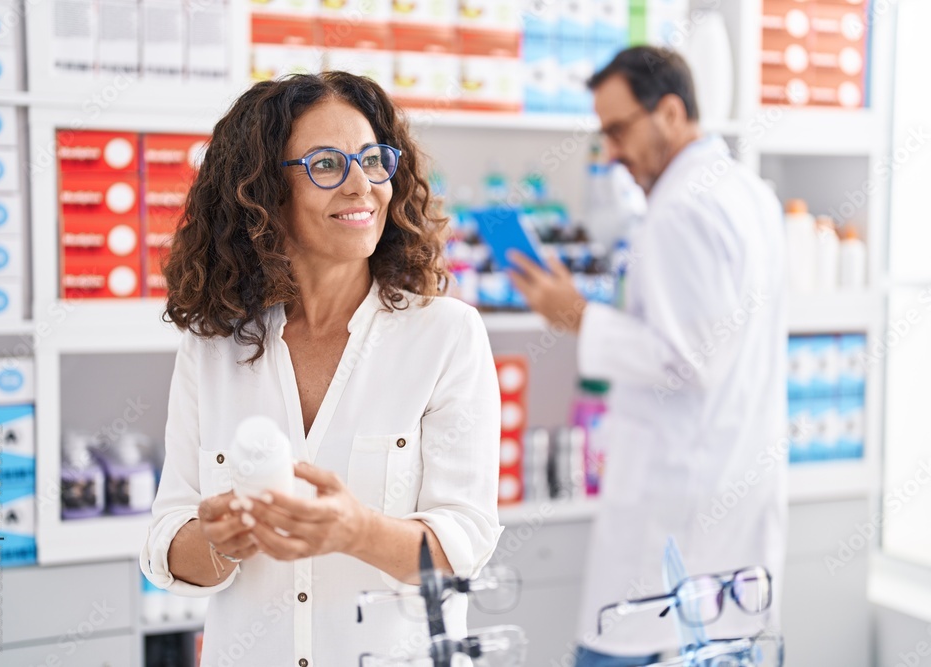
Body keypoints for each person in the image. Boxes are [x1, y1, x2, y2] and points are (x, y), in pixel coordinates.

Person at [140, 72, 503, 666]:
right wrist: (218, 540)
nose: (362, 186)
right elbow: (167, 545)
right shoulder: (214, 347)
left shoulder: (445, 336)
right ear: (262, 192)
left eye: (373, 161)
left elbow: (464, 544)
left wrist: (356, 531)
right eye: (327, 165)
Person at [508, 47, 787, 665]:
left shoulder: (679, 209)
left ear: (670, 113)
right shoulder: (748, 192)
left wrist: (576, 315)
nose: (611, 153)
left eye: (618, 130)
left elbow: (689, 361)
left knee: (622, 647)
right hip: (734, 485)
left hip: (677, 503)